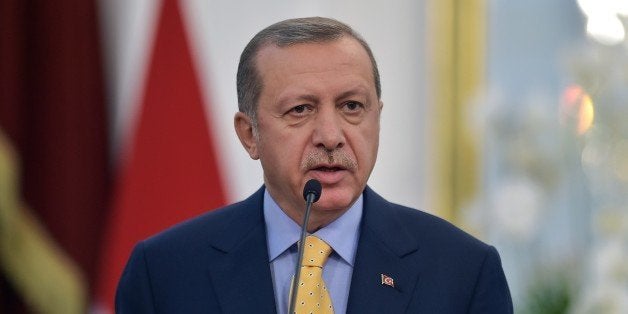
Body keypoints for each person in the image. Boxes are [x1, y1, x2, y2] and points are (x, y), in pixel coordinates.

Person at [116, 17, 513, 313]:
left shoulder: (463, 271)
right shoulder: (165, 271)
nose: (330, 135)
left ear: (378, 117)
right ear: (249, 134)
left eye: (352, 107)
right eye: (300, 110)